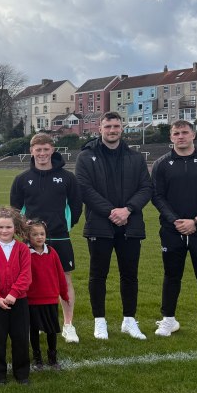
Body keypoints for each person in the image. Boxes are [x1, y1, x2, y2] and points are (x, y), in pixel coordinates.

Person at [75, 112, 153, 341]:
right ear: (100, 128)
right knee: (98, 275)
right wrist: (111, 211)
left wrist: (127, 210)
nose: (112, 130)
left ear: (122, 128)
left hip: (131, 225)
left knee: (130, 275)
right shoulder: (86, 156)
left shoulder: (135, 158)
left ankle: (129, 320)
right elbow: (83, 188)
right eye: (108, 126)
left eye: (116, 126)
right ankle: (100, 321)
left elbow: (146, 188)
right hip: (100, 225)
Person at [151, 121, 197, 345]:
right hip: (172, 230)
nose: (181, 136)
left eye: (185, 132)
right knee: (172, 275)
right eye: (176, 133)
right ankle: (168, 319)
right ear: (171, 137)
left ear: (193, 134)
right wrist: (175, 220)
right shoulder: (162, 164)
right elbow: (157, 196)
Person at [10, 132, 82, 343]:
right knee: (30, 279)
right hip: (30, 239)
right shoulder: (22, 179)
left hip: (59, 237)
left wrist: (65, 225)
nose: (42, 153)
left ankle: (68, 324)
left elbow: (76, 206)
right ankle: (37, 323)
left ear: (52, 150)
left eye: (45, 149)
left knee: (64, 280)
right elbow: (15, 210)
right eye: (38, 149)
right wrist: (25, 229)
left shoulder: (67, 177)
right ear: (31, 151)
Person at [0, 206, 31, 386]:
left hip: (19, 301)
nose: (4, 231)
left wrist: (13, 294)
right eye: (0, 227)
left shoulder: (23, 249)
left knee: (20, 339)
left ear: (15, 228)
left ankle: (22, 374)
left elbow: (26, 275)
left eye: (8, 227)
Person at [26, 219, 69, 370]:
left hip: (50, 299)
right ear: (28, 236)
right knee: (34, 330)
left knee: (51, 330)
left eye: (42, 234)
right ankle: (37, 358)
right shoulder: (25, 253)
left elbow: (60, 275)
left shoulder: (52, 252)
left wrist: (64, 294)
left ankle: (52, 357)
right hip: (32, 300)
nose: (39, 237)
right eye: (35, 234)